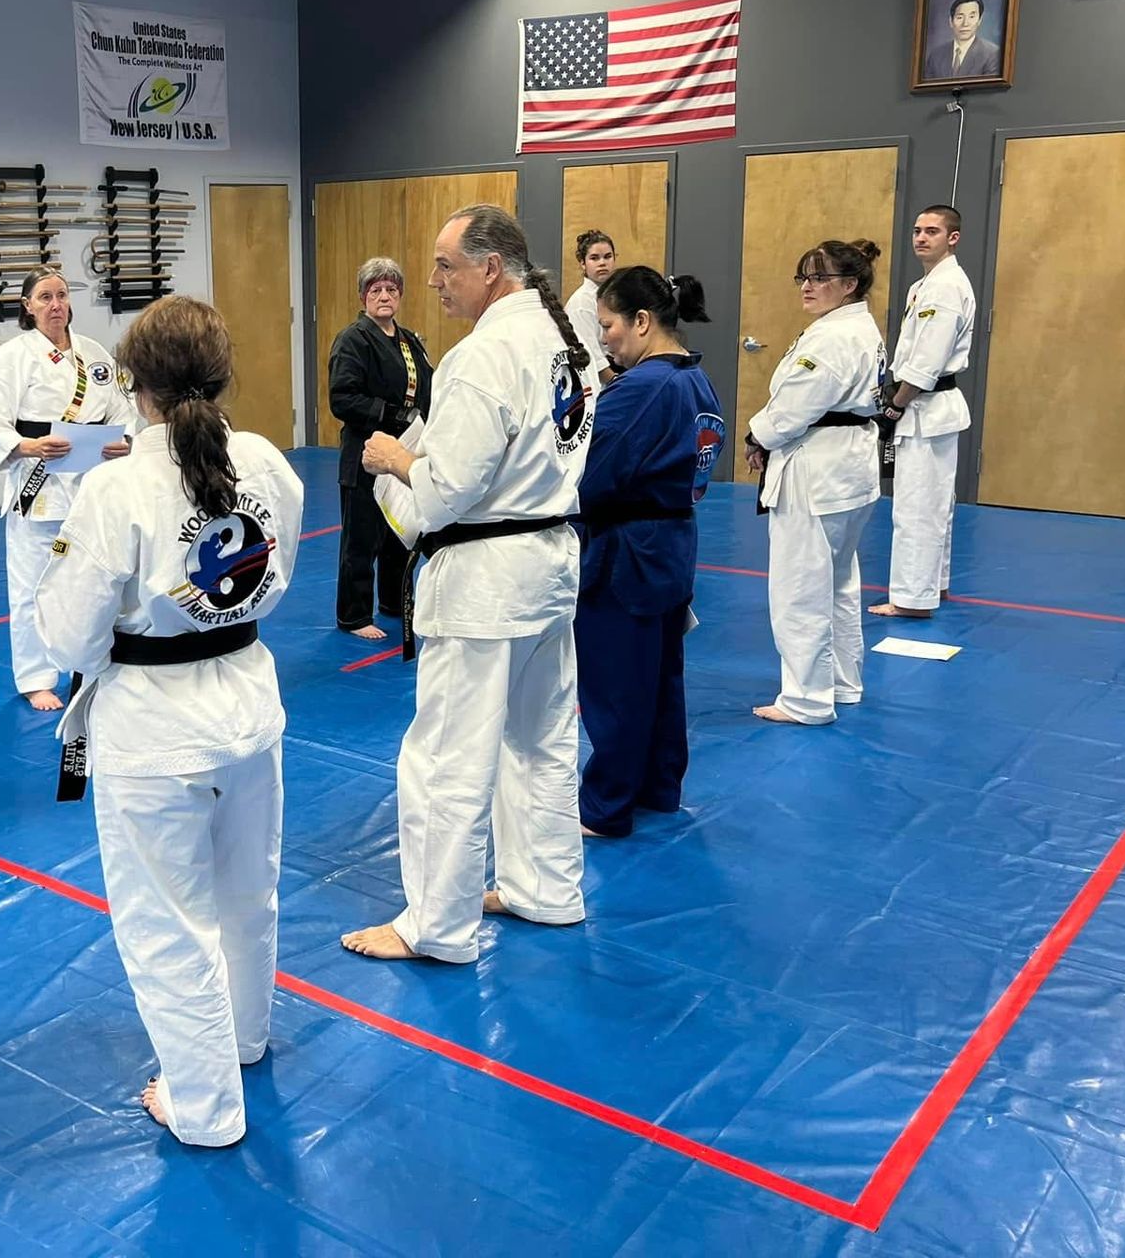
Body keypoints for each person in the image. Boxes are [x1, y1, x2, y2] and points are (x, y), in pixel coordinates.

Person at [37, 295, 303, 1148]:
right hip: (250, 711)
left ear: (134, 385)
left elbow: (71, 632)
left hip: (154, 734)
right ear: (224, 375)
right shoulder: (268, 464)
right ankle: (245, 1039)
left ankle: (205, 1108)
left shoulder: (115, 487)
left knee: (168, 927)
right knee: (246, 896)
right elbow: (275, 574)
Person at [341, 204, 594, 963]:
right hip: (548, 558)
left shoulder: (484, 355)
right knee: (542, 740)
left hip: (486, 576)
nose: (432, 281)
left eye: (446, 265)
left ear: (492, 268)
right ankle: (544, 889)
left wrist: (391, 459)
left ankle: (437, 925)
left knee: (449, 757)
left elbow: (446, 489)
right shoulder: (566, 344)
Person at [575, 267, 724, 837]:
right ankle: (658, 787)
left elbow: (588, 471)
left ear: (642, 321)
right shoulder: (693, 378)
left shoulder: (642, 388)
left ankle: (606, 807)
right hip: (670, 543)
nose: (605, 337)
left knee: (617, 684)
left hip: (627, 553)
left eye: (609, 324)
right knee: (659, 677)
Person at [744, 240, 887, 725]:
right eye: (803, 277)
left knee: (801, 588)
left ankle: (805, 699)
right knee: (840, 581)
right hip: (849, 468)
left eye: (820, 278)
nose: (808, 286)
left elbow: (795, 406)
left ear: (849, 285)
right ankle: (844, 683)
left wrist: (756, 435)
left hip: (818, 468)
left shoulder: (832, 338)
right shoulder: (856, 327)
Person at [0, 266, 135, 710]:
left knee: (94, 578)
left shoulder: (94, 353)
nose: (56, 305)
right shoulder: (13, 355)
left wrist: (122, 442)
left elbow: (124, 410)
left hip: (92, 480)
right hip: (39, 482)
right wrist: (28, 445)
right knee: (32, 585)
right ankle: (35, 677)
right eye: (45, 297)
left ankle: (89, 660)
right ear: (27, 306)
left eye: (62, 296)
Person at [871, 205, 975, 619]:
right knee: (935, 503)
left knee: (917, 506)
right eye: (917, 230)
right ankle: (937, 583)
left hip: (924, 405)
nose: (920, 237)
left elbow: (928, 360)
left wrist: (895, 405)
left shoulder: (945, 287)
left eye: (932, 231)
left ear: (953, 238)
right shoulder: (927, 284)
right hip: (927, 407)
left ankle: (913, 599)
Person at [328, 256, 435, 640]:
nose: (385, 296)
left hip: (403, 452)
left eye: (391, 289)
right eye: (376, 290)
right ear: (363, 296)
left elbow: (428, 384)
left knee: (399, 532)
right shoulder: (353, 339)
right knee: (361, 536)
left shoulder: (409, 341)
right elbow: (342, 398)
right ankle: (355, 616)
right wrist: (391, 414)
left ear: (401, 295)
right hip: (365, 452)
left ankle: (393, 600)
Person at [566, 229, 618, 387]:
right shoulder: (581, 304)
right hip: (598, 384)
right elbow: (591, 357)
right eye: (594, 258)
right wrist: (618, 385)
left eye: (608, 257)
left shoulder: (616, 296)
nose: (602, 263)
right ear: (583, 263)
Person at [923, 0, 1001, 80]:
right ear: (951, 21)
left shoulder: (992, 54)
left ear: (979, 20)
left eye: (971, 17)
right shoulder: (935, 56)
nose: (965, 23)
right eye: (960, 17)